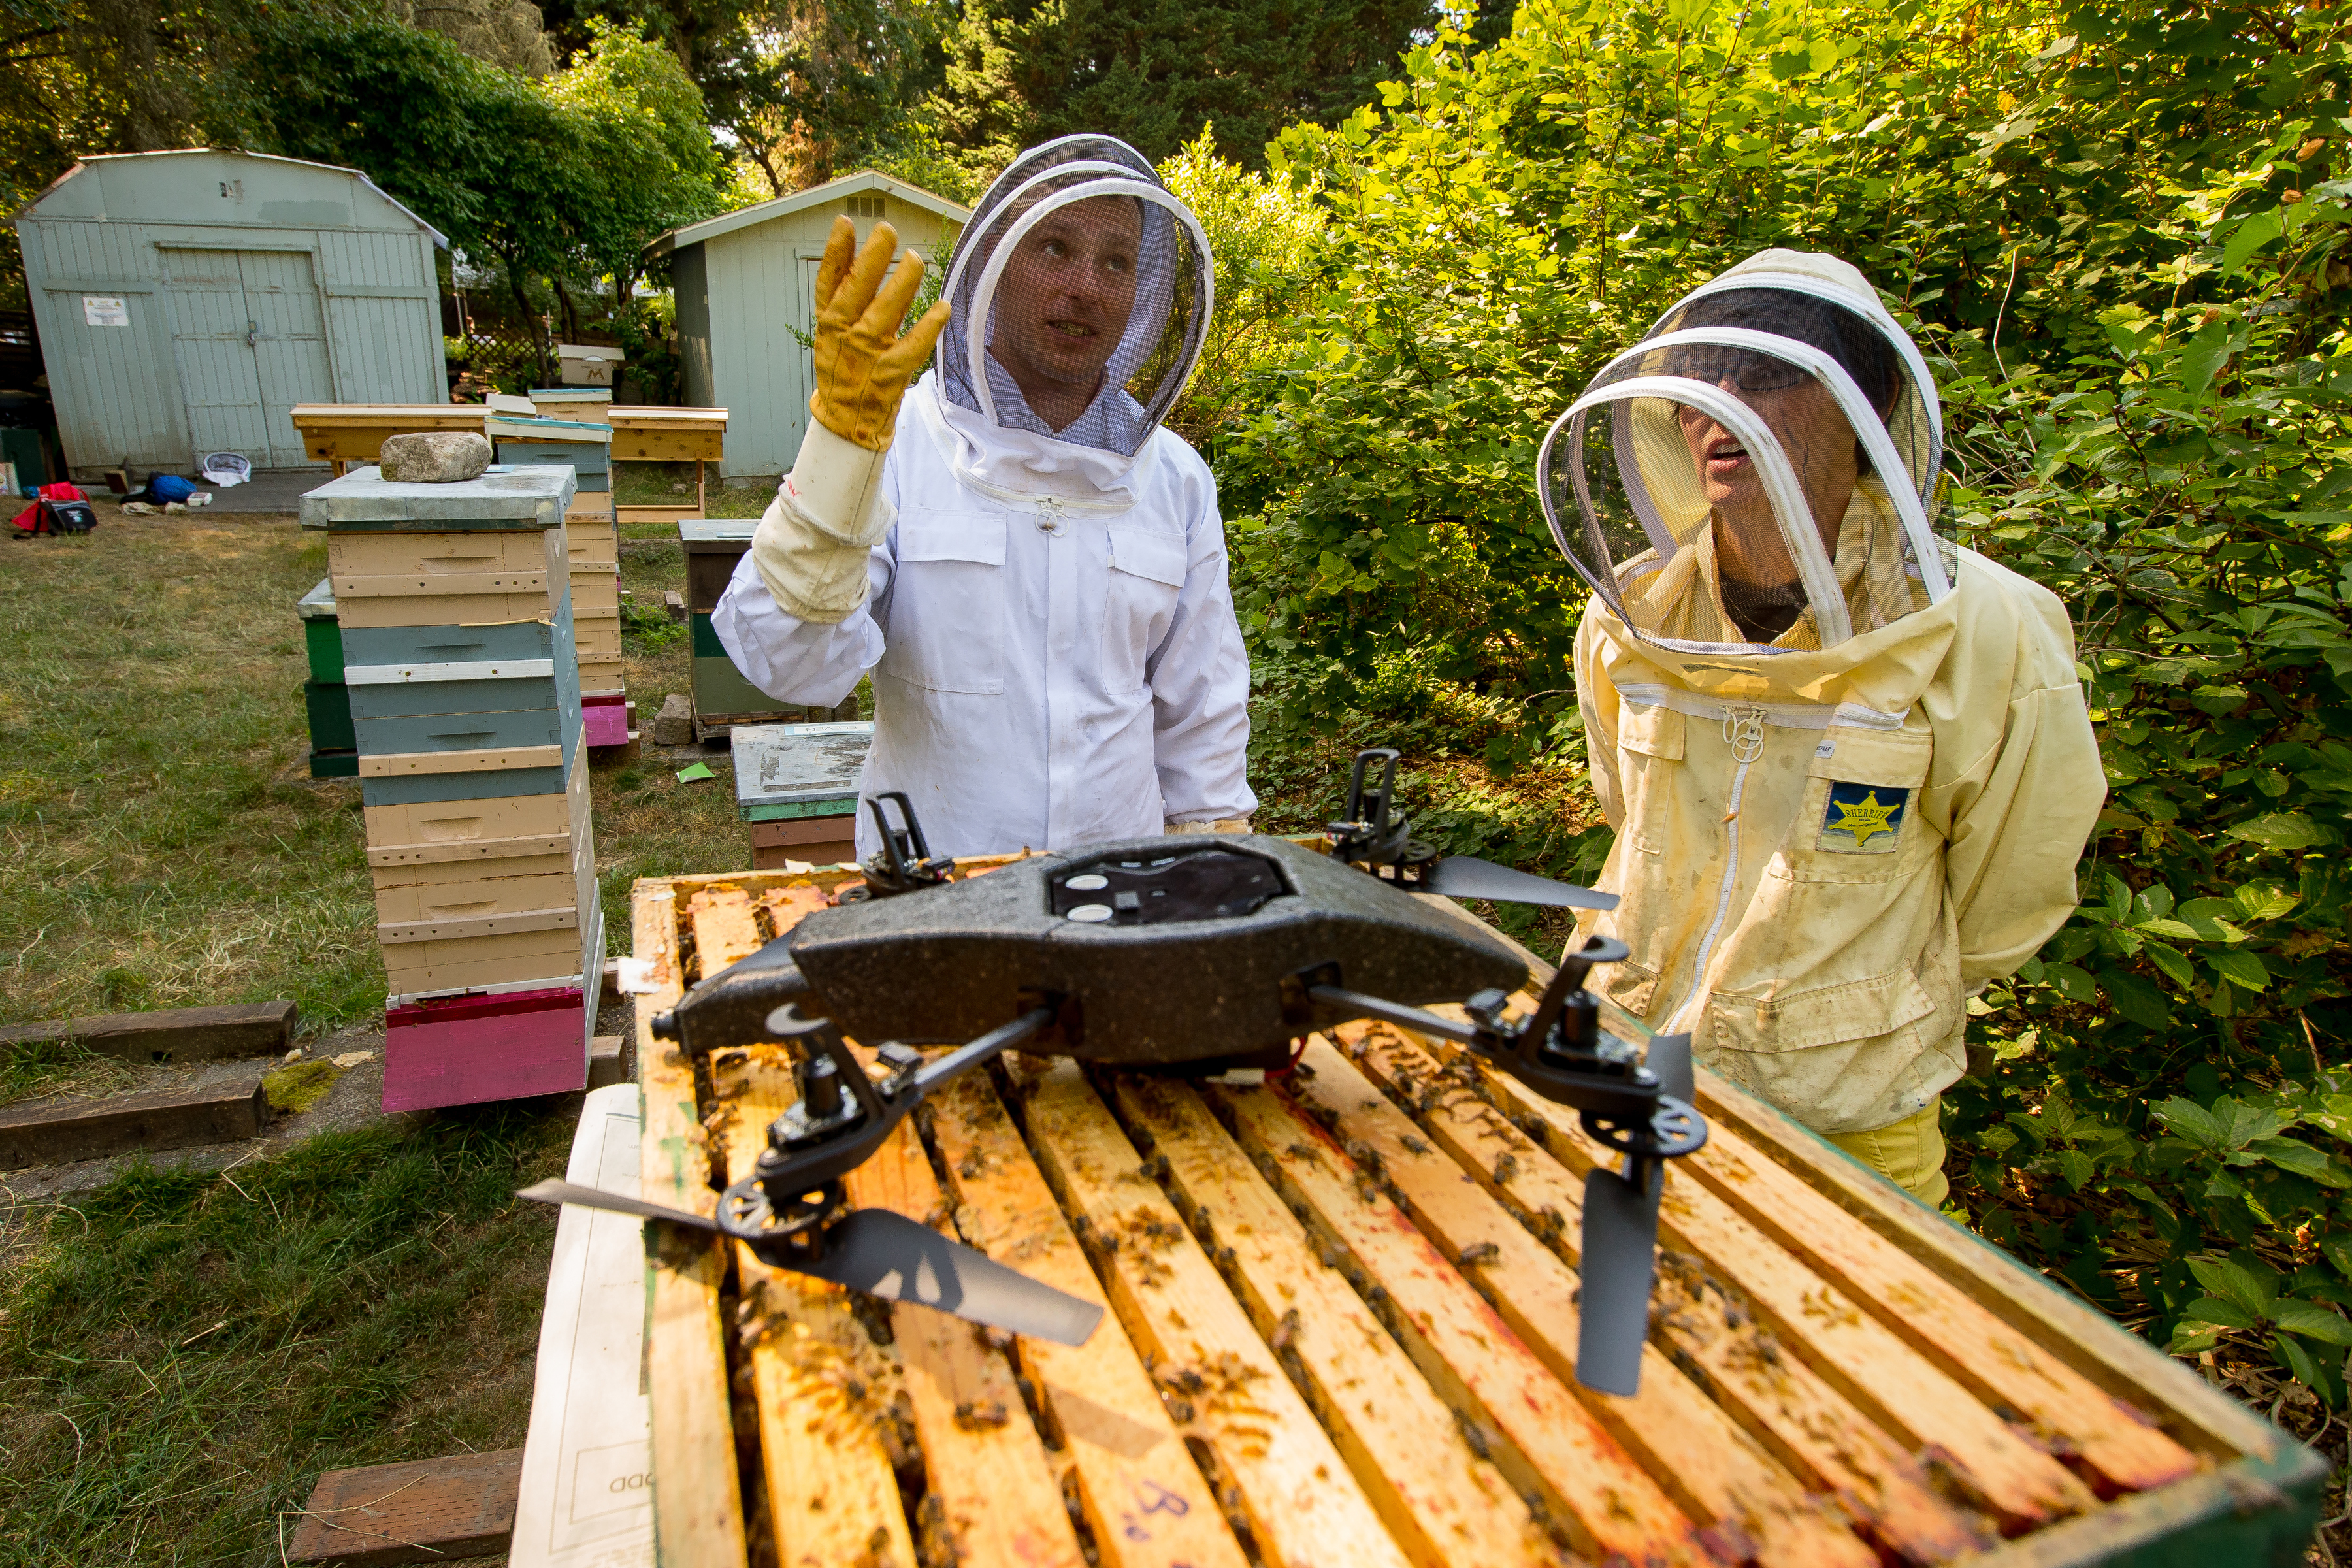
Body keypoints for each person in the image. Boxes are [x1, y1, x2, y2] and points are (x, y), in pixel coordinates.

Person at [1536, 250, 2103, 1207]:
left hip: (1850, 1127)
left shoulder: (1992, 627)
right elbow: (1623, 806)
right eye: (1695, 380)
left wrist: (1846, 995)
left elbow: (2015, 886)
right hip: (1618, 1067)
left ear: (1868, 397)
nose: (1720, 402)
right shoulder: (1631, 614)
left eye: (1765, 371)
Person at [714, 135, 1255, 858]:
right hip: (932, 891)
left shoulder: (1177, 479)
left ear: (1144, 292)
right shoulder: (895, 441)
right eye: (1056, 248)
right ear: (997, 263)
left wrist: (1212, 855)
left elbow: (1204, 706)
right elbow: (790, 664)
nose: (1087, 288)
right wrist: (839, 457)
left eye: (1117, 261)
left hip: (1116, 892)